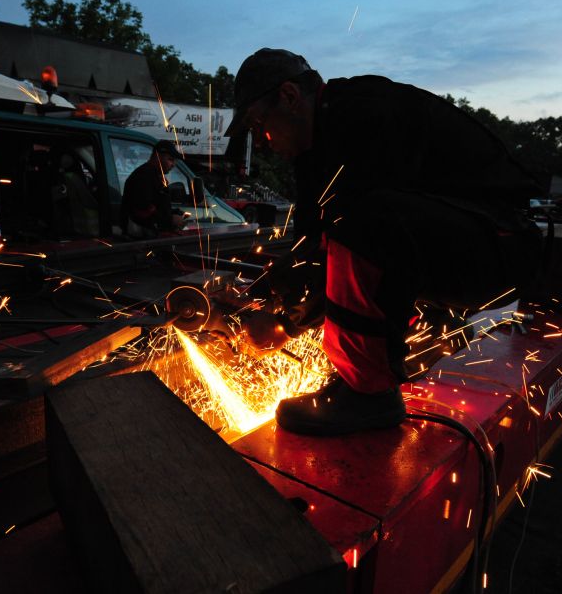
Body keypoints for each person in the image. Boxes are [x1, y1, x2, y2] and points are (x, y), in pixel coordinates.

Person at [226, 48, 544, 436]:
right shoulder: (314, 152)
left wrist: (286, 325)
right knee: (353, 224)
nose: (260, 141)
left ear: (290, 97)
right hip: (444, 244)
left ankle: (369, 394)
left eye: (259, 124)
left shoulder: (368, 115)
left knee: (363, 215)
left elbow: (365, 234)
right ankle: (361, 372)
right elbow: (310, 253)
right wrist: (263, 297)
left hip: (500, 248)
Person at [120, 140, 182, 238]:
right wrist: (170, 220)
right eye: (170, 159)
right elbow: (143, 210)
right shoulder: (144, 176)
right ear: (157, 156)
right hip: (141, 241)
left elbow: (157, 206)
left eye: (174, 161)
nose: (173, 164)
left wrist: (173, 213)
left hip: (150, 238)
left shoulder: (155, 176)